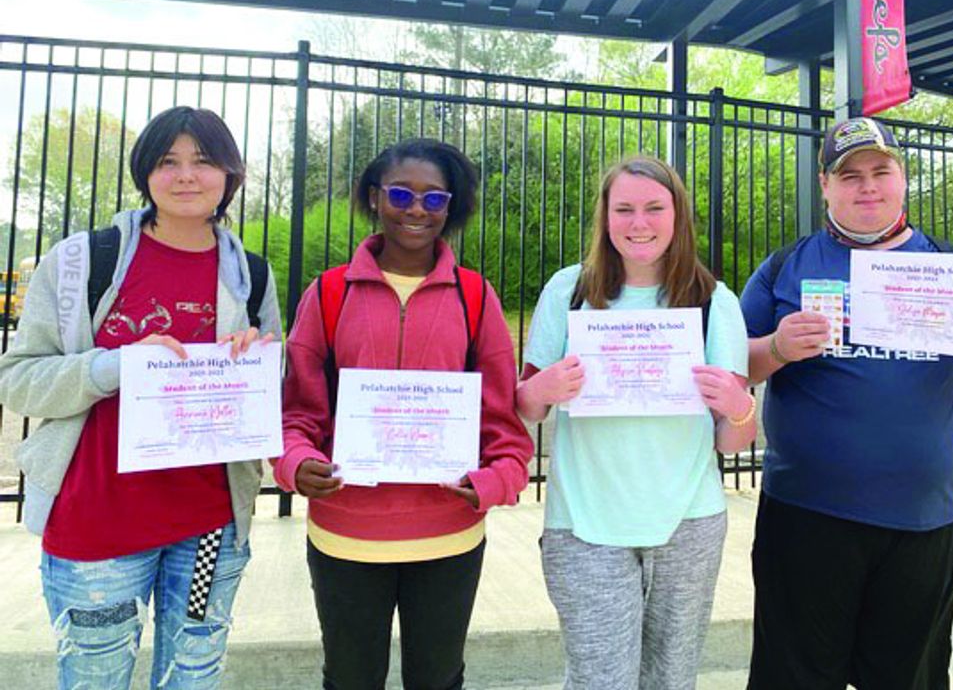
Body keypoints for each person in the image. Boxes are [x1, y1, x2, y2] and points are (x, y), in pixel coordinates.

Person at [739, 116, 953, 690]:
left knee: (910, 678)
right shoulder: (785, 267)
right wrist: (775, 347)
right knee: (794, 677)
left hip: (925, 523)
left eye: (881, 171)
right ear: (825, 185)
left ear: (903, 178)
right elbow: (729, 369)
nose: (867, 186)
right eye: (849, 175)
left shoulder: (952, 269)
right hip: (806, 517)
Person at [0, 106, 281, 689]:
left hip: (209, 528)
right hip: (97, 526)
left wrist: (256, 364)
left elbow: (271, 398)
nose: (185, 176)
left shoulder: (250, 274)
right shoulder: (84, 262)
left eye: (203, 162)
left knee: (194, 675)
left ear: (230, 174)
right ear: (144, 173)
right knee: (95, 678)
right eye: (166, 161)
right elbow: (19, 378)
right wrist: (117, 365)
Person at [274, 138, 533, 690]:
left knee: (438, 681)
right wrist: (296, 462)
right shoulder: (327, 294)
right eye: (400, 194)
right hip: (347, 535)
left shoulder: (475, 297)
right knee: (349, 680)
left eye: (434, 199)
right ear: (374, 198)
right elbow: (295, 412)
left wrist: (494, 481)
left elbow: (505, 427)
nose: (416, 210)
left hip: (448, 536)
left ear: (451, 207)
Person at [517, 155, 755, 690]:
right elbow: (528, 407)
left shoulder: (713, 302)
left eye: (654, 208)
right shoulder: (569, 291)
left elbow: (732, 440)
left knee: (672, 679)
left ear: (678, 216)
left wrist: (740, 408)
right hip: (584, 523)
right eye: (623, 209)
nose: (639, 223)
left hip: (688, 522)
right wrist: (540, 389)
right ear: (604, 217)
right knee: (601, 679)